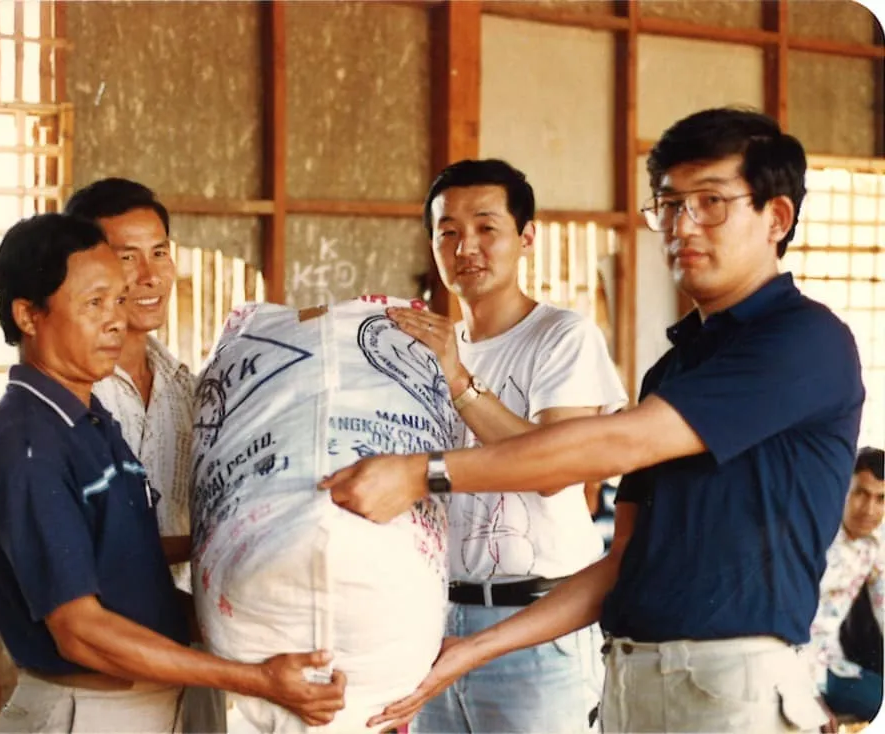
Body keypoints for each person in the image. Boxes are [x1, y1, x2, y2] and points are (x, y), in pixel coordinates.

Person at [321, 107, 865, 734]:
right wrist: (469, 652)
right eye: (667, 205)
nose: (682, 226)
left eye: (711, 202)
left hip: (730, 684)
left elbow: (611, 444)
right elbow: (622, 562)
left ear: (777, 216)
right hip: (630, 675)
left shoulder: (804, 340)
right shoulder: (673, 370)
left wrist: (424, 474)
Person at [0, 213, 345, 732]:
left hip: (142, 706)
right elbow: (83, 632)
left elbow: (118, 553)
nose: (116, 320)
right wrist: (253, 677)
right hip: (87, 713)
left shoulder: (89, 420)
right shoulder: (28, 446)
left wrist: (255, 553)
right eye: (94, 303)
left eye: (119, 300)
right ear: (29, 315)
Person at [382, 159, 625, 733]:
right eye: (448, 232)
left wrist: (461, 381)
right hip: (435, 624)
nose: (467, 245)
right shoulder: (426, 348)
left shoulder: (563, 336)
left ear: (526, 237)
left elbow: (554, 469)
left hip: (537, 627)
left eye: (486, 227)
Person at [65, 178, 226, 733]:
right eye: (126, 257)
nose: (151, 275)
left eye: (160, 252)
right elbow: (90, 553)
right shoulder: (69, 398)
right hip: (106, 679)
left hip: (192, 662)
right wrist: (218, 544)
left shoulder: (190, 387)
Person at [809, 446, 884, 723]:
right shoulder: (815, 535)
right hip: (792, 666)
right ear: (844, 489)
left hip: (832, 662)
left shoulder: (874, 543)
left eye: (881, 498)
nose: (869, 509)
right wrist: (807, 695)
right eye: (861, 493)